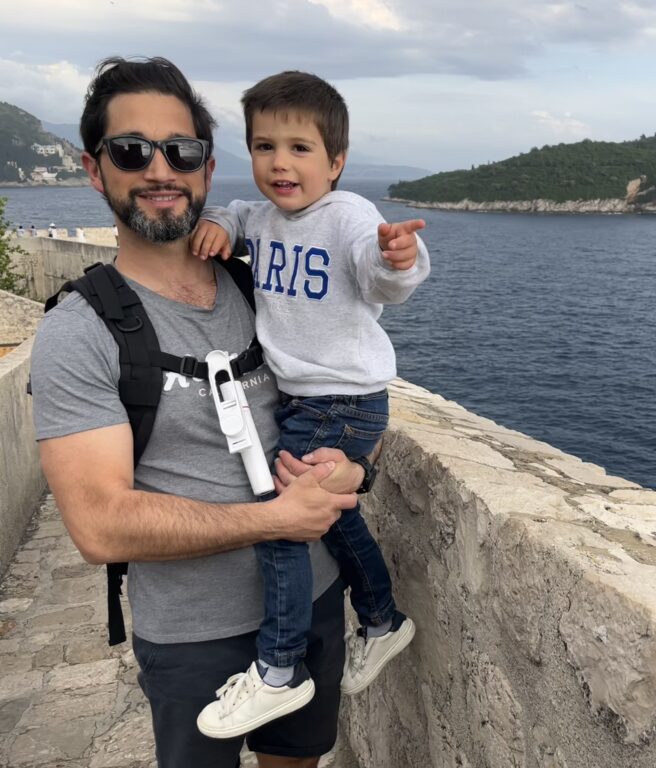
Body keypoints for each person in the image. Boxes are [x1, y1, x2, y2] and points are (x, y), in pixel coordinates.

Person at [30, 56, 367, 768]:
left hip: (312, 598)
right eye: (132, 151)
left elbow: (340, 399)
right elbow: (98, 525)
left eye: (181, 151)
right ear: (95, 170)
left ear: (208, 170)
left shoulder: (260, 287)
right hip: (192, 633)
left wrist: (352, 467)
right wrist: (275, 520)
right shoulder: (79, 331)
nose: (161, 170)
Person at [190, 70, 429, 737]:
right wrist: (216, 223)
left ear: (336, 162)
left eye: (300, 148)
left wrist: (398, 258)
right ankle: (381, 620)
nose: (280, 163)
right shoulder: (262, 216)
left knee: (281, 519)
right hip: (313, 400)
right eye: (264, 147)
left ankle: (279, 668)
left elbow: (382, 275)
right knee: (329, 518)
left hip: (342, 399)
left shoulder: (347, 215)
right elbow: (237, 216)